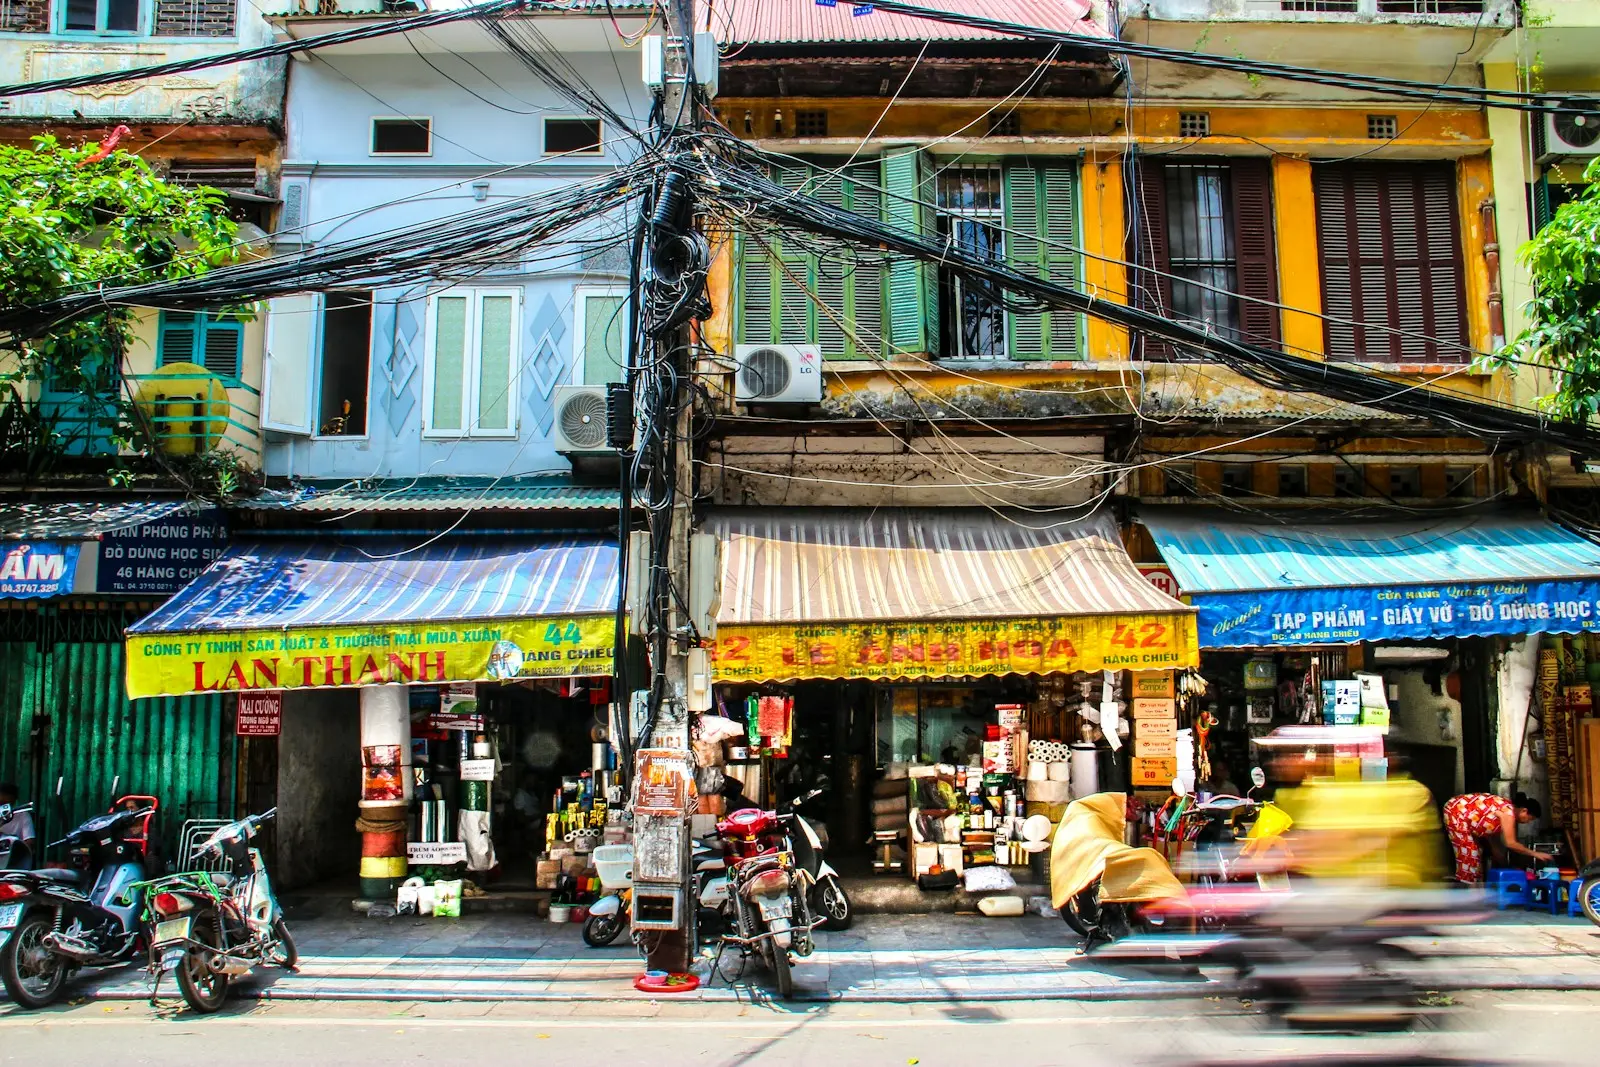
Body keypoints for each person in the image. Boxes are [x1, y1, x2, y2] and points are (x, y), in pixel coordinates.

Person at [1442, 791, 1548, 884]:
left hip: (1462, 816)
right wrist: (1535, 854)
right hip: (1456, 811)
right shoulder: (1508, 813)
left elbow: (1494, 844)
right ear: (1524, 811)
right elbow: (1511, 843)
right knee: (1470, 855)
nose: (1528, 822)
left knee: (1478, 853)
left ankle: (1474, 887)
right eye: (1530, 818)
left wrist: (1506, 866)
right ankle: (1465, 888)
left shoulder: (1505, 813)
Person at [0, 782, 36, 867]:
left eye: (7, 803)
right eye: (1, 803)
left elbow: (29, 842)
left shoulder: (23, 815)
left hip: (13, 861)